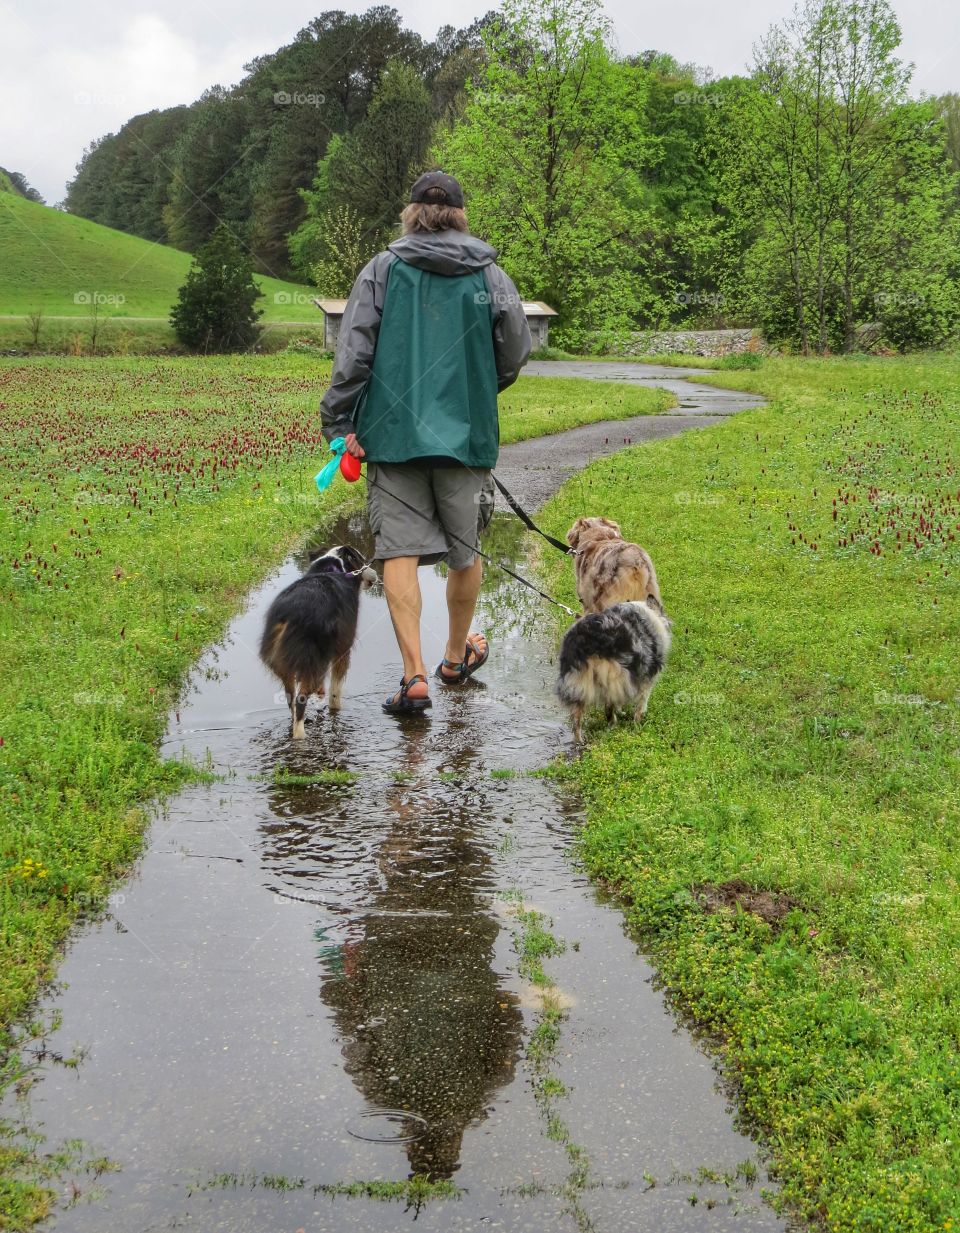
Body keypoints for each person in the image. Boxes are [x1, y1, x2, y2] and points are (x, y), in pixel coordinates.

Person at [320, 171, 531, 715]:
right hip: (465, 438)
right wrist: (477, 391)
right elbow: (514, 352)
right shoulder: (492, 274)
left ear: (410, 213)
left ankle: (414, 676)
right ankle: (456, 658)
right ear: (461, 215)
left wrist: (339, 423)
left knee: (399, 553)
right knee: (467, 551)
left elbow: (354, 353)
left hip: (392, 437)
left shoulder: (382, 270)